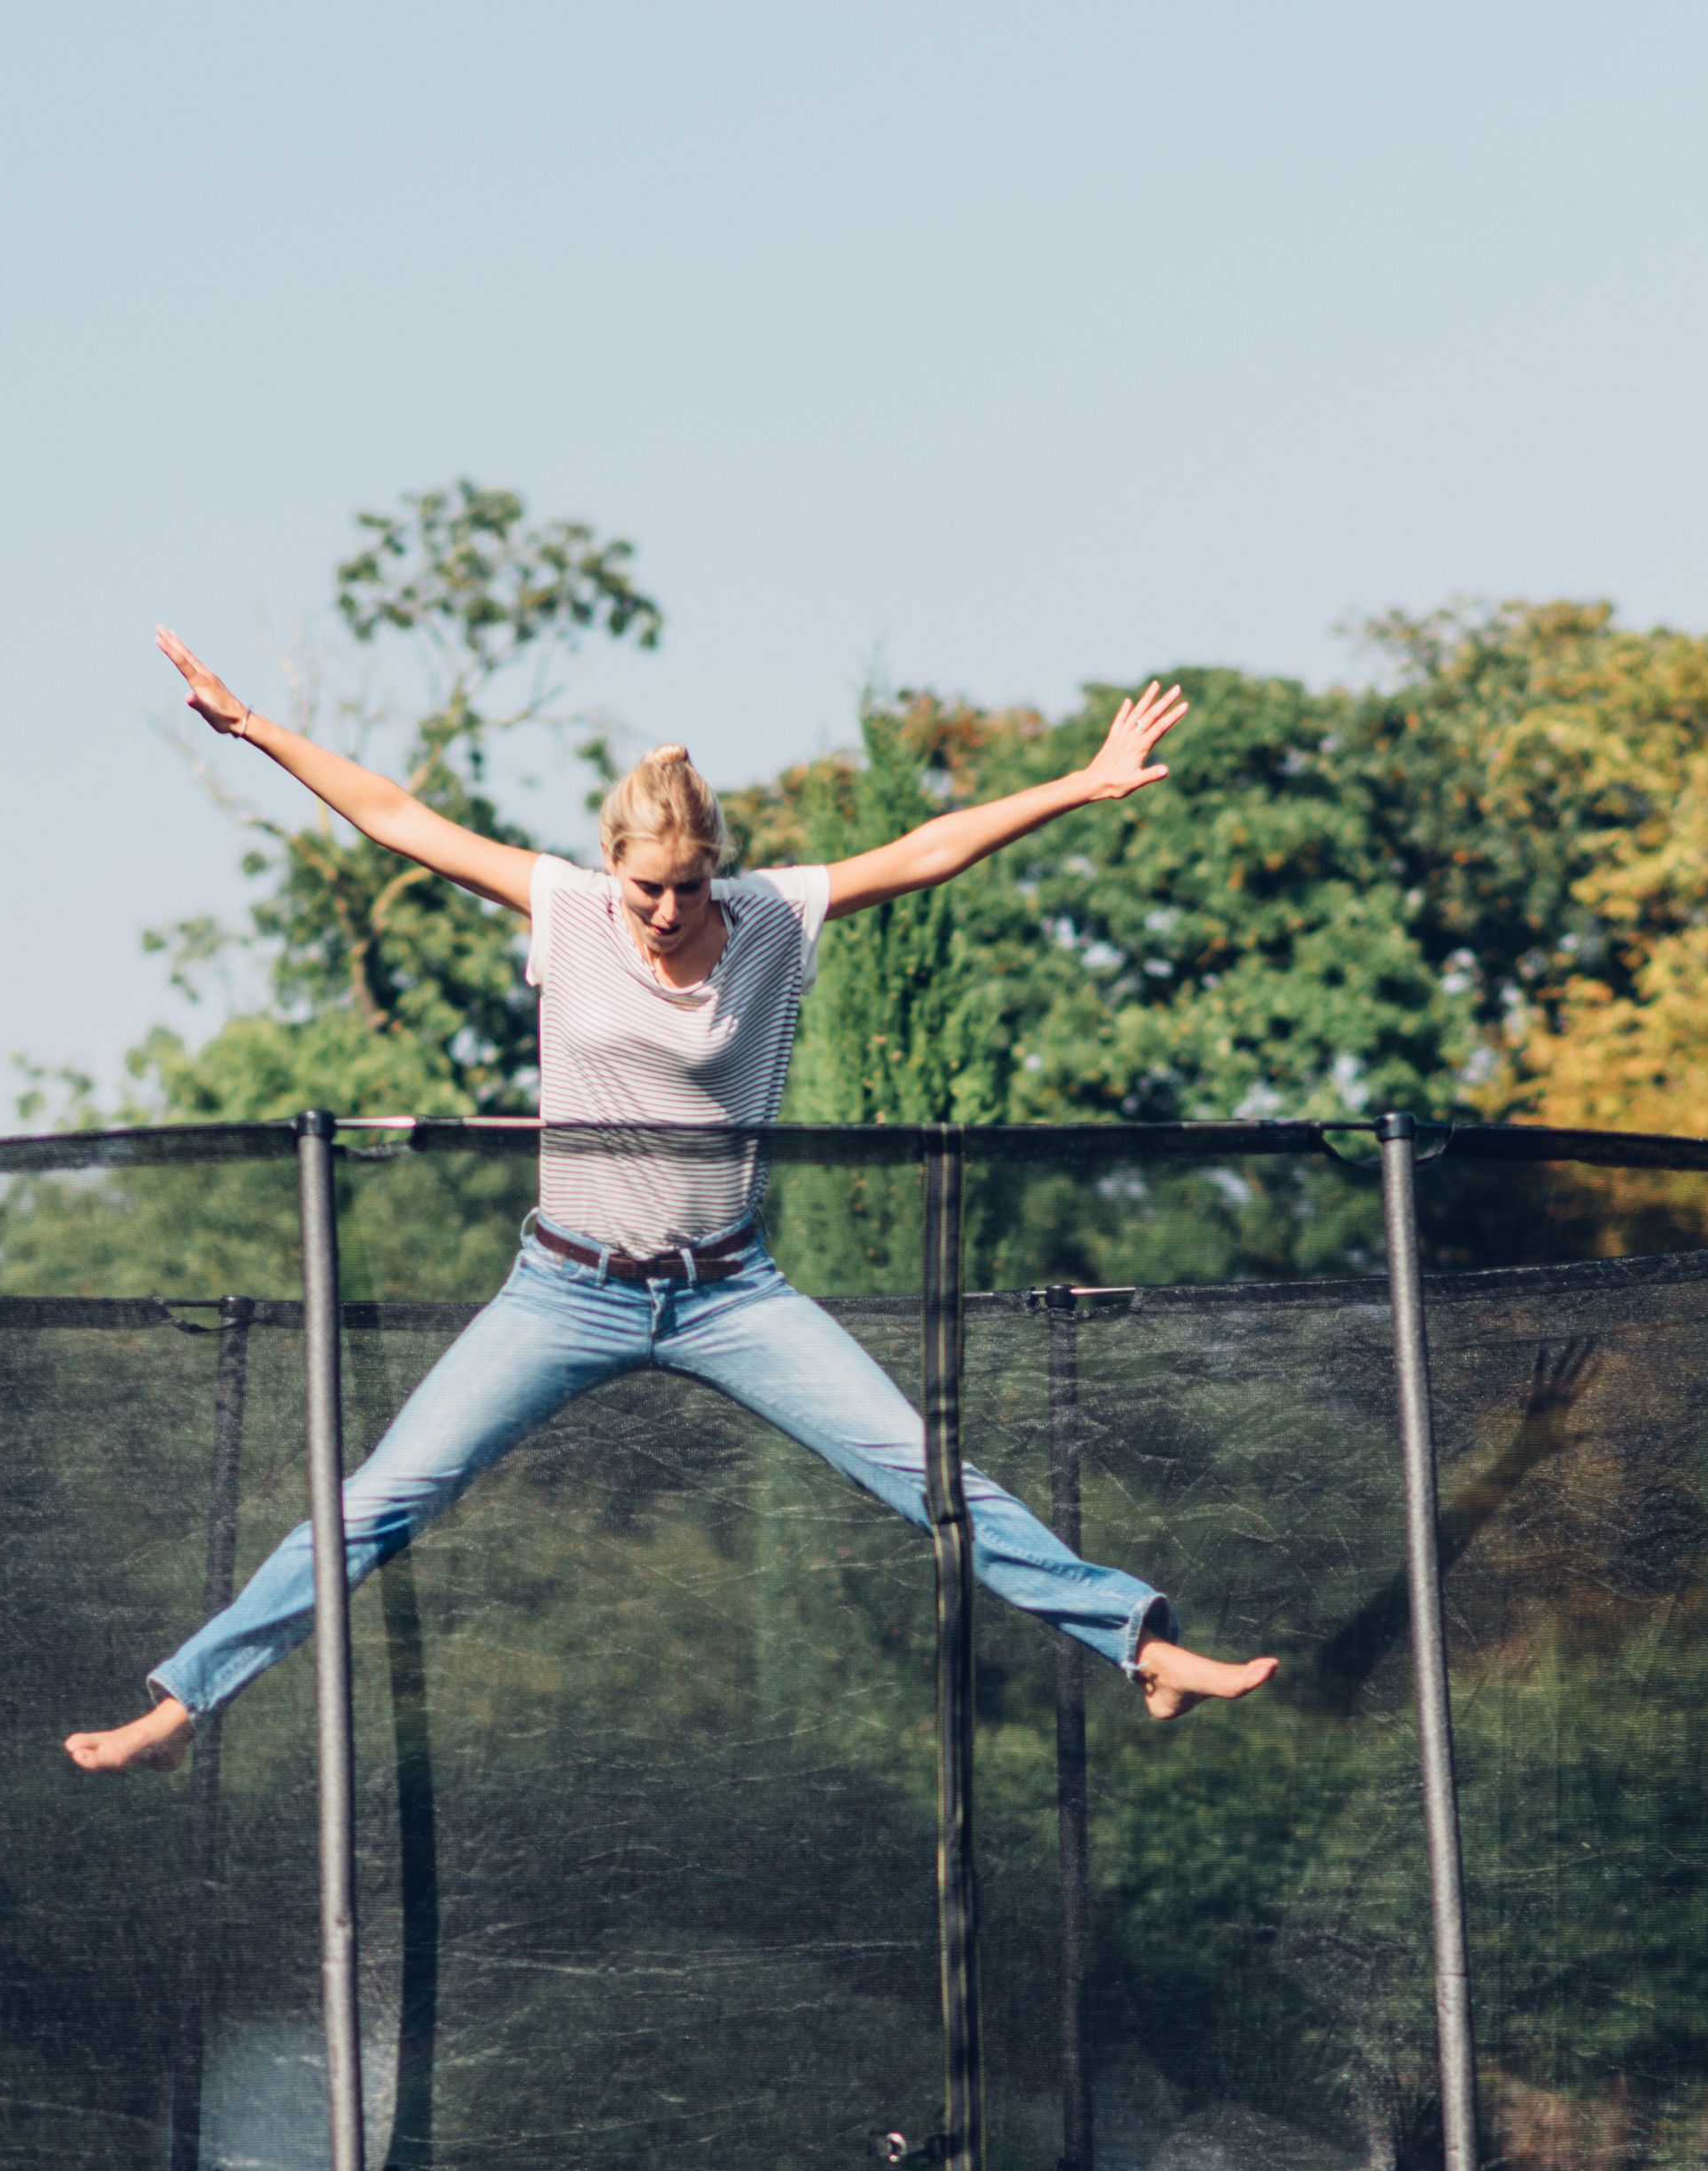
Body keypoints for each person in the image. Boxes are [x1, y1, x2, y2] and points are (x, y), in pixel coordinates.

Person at [62, 630, 1280, 1774]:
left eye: (683, 891)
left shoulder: (770, 920)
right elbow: (398, 819)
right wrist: (257, 728)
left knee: (928, 1472)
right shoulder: (565, 909)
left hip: (731, 1293)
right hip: (565, 1290)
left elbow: (923, 850)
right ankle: (183, 1708)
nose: (660, 915)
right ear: (612, 866)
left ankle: (1143, 1646)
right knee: (383, 1498)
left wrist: (1080, 782)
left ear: (715, 873)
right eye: (643, 889)